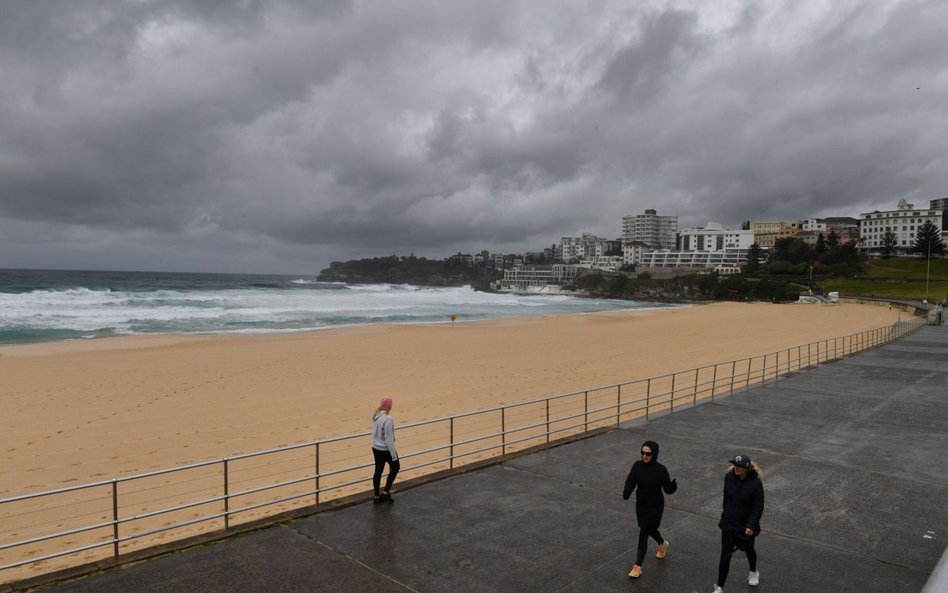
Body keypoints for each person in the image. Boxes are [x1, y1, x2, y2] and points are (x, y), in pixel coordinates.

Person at [622, 440, 678, 578]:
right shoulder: (637, 466)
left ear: (655, 454)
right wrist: (627, 492)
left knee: (644, 531)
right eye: (642, 453)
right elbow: (631, 480)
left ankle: (637, 566)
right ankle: (662, 543)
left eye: (648, 453)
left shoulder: (661, 470)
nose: (644, 456)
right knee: (649, 529)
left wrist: (673, 486)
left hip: (655, 506)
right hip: (641, 504)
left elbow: (667, 489)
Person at [712, 454, 764, 592]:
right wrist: (726, 515)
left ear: (746, 468)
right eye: (735, 465)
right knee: (725, 555)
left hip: (746, 525)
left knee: (749, 550)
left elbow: (758, 507)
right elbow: (726, 499)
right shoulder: (729, 477)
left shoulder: (756, 484)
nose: (736, 468)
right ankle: (720, 587)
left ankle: (753, 572)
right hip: (729, 523)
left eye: (739, 466)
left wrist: (751, 526)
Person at [371, 396, 399, 504]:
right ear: (389, 406)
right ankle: (386, 492)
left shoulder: (375, 415)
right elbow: (389, 438)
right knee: (396, 467)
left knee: (378, 471)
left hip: (375, 447)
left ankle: (376, 496)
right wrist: (393, 455)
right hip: (385, 449)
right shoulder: (388, 418)